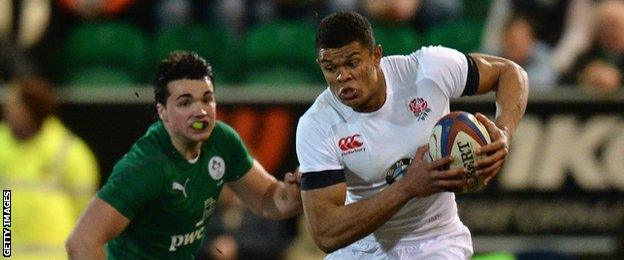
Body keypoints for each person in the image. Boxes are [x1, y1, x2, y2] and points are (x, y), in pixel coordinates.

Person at [295, 11, 528, 259]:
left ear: (376, 56)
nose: (342, 77)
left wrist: (504, 131)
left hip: (436, 240)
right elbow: (326, 233)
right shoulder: (317, 125)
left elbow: (510, 73)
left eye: (352, 63)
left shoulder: (427, 69)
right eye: (330, 68)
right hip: (362, 248)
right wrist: (407, 188)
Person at [65, 50, 303, 259]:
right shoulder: (146, 165)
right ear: (163, 112)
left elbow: (266, 200)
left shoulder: (222, 141)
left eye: (207, 99)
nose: (200, 111)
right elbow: (81, 242)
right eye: (185, 102)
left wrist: (292, 194)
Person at [0, 77, 99, 258]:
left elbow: (85, 213)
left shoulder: (68, 151)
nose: (8, 109)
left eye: (16, 104)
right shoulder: (2, 143)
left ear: (33, 109)